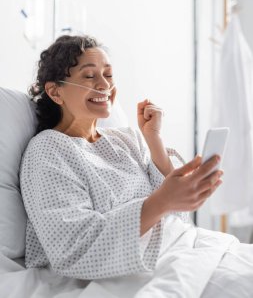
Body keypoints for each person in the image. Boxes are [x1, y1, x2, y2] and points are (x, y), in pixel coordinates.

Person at [20, 35, 253, 297]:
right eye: (89, 76)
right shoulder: (48, 149)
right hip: (126, 271)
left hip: (181, 249)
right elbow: (73, 248)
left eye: (108, 74)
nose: (104, 84)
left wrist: (154, 139)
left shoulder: (126, 139)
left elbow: (177, 217)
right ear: (55, 91)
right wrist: (162, 201)